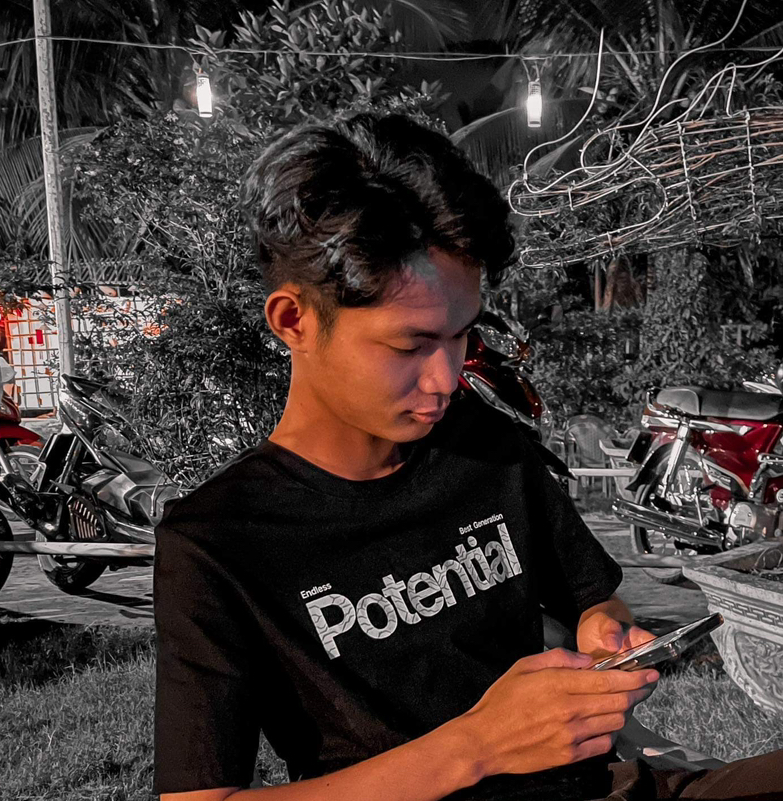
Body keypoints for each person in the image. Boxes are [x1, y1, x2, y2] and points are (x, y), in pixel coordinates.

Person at [152, 113, 783, 801]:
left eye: (461, 336)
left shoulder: (482, 445)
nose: (446, 377)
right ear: (294, 320)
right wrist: (476, 747)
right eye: (411, 345)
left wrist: (607, 634)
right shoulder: (219, 543)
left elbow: (591, 599)